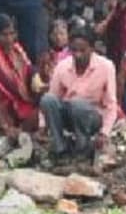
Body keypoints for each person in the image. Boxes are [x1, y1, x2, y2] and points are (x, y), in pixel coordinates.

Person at [41, 25, 117, 157]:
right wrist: (42, 126)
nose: (78, 55)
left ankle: (83, 146)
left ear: (92, 48)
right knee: (47, 99)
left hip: (92, 117)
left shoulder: (106, 66)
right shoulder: (62, 66)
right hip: (69, 115)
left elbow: (111, 104)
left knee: (78, 103)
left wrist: (104, 132)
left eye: (82, 50)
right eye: (74, 50)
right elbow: (52, 96)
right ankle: (60, 147)